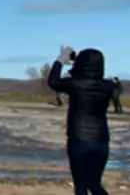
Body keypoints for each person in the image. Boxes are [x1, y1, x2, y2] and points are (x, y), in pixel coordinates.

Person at [47, 45, 115, 195]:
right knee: (95, 184)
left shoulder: (76, 84)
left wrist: (60, 61)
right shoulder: (108, 86)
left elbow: (53, 82)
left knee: (81, 187)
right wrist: (75, 67)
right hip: (102, 140)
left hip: (79, 139)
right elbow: (86, 78)